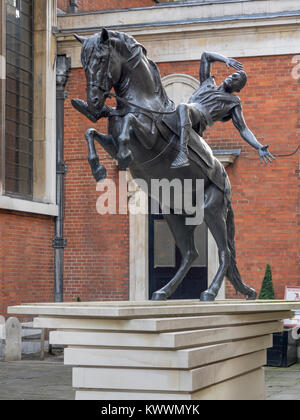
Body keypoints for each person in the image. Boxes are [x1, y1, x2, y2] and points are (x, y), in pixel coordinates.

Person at [171, 51, 274, 168]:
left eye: (236, 81)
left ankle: (183, 154)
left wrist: (258, 146)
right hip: (186, 113)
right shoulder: (207, 83)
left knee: (183, 107)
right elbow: (205, 56)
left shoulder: (233, 101)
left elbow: (243, 129)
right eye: (233, 76)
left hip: (198, 119)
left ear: (237, 89)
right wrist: (226, 59)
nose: (232, 78)